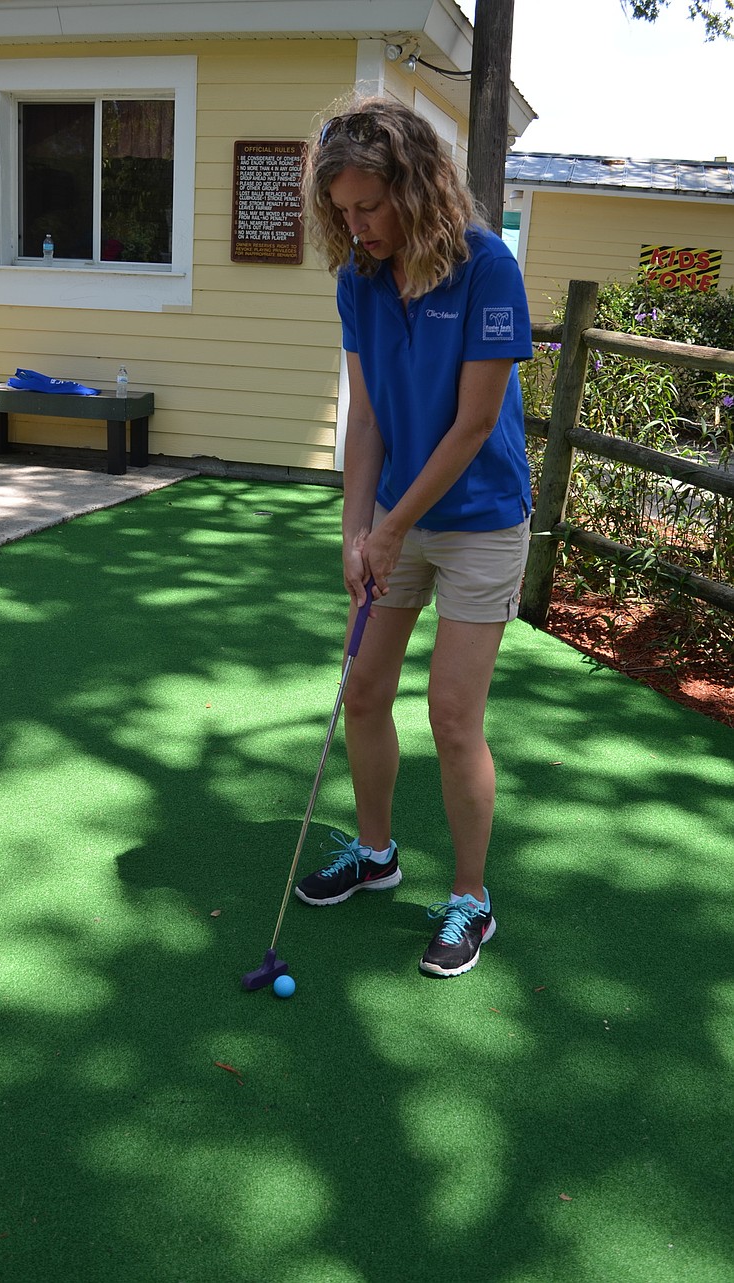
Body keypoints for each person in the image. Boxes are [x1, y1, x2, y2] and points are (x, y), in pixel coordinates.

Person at [295, 97, 533, 978]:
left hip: (478, 521)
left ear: (417, 188)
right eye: (343, 212)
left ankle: (471, 896)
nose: (356, 228)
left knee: (451, 713)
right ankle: (375, 851)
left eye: (370, 207)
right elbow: (366, 419)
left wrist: (391, 528)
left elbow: (473, 423)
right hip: (394, 514)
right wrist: (354, 527)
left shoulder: (485, 268)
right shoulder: (358, 278)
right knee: (362, 692)